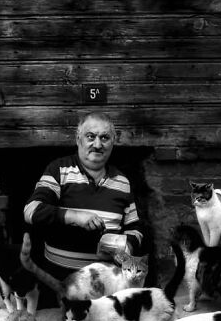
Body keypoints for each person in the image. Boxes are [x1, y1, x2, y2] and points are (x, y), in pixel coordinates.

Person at [23, 112, 145, 280]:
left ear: (113, 142)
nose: (97, 144)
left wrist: (128, 248)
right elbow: (31, 211)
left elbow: (135, 229)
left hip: (106, 284)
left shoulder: (122, 181)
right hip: (60, 281)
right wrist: (75, 216)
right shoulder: (59, 170)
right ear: (78, 138)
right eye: (90, 136)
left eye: (104, 138)